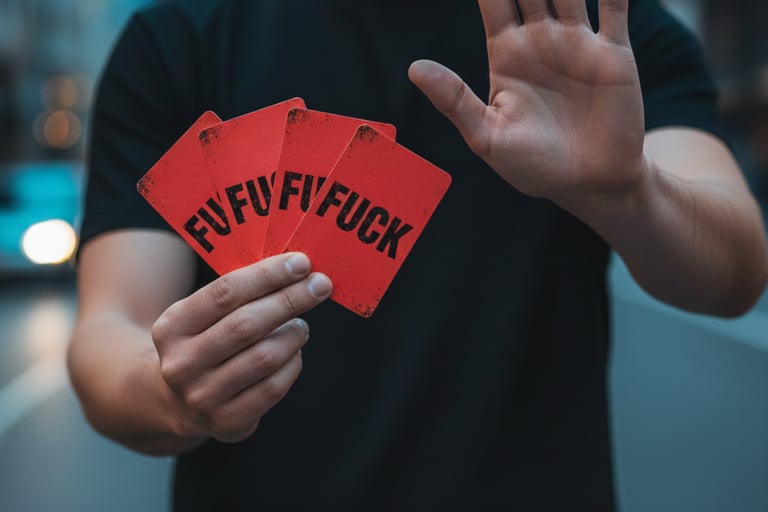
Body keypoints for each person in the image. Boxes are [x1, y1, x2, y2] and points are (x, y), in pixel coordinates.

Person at [68, 0, 768, 509]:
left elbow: (735, 272)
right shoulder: (180, 38)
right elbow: (109, 333)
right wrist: (172, 394)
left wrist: (626, 191)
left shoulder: (593, 33)